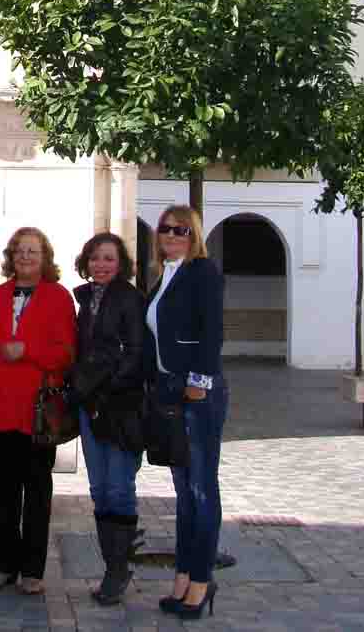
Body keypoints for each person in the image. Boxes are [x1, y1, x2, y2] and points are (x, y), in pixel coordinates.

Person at [0, 226, 77, 595]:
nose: (25, 257)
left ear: (45, 258)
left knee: (37, 491)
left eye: (33, 251)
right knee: (0, 492)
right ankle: (3, 565)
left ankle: (32, 569)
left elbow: (65, 352)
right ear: (10, 257)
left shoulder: (59, 297)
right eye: (19, 251)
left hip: (37, 410)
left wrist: (27, 350)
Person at [144, 206, 225, 622]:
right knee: (183, 492)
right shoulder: (165, 276)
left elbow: (212, 333)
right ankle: (183, 577)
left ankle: (201, 579)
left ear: (193, 235)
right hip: (170, 390)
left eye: (180, 230)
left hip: (197, 392)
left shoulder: (202, 272)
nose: (172, 235)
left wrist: (200, 383)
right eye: (165, 229)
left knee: (201, 489)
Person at [72, 231, 146, 606]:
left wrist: (108, 388)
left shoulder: (130, 299)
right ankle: (112, 566)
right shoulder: (84, 299)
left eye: (109, 258)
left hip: (120, 405)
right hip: (91, 406)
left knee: (119, 487)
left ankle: (119, 569)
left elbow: (136, 352)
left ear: (121, 265)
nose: (101, 264)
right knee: (99, 489)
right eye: (96, 258)